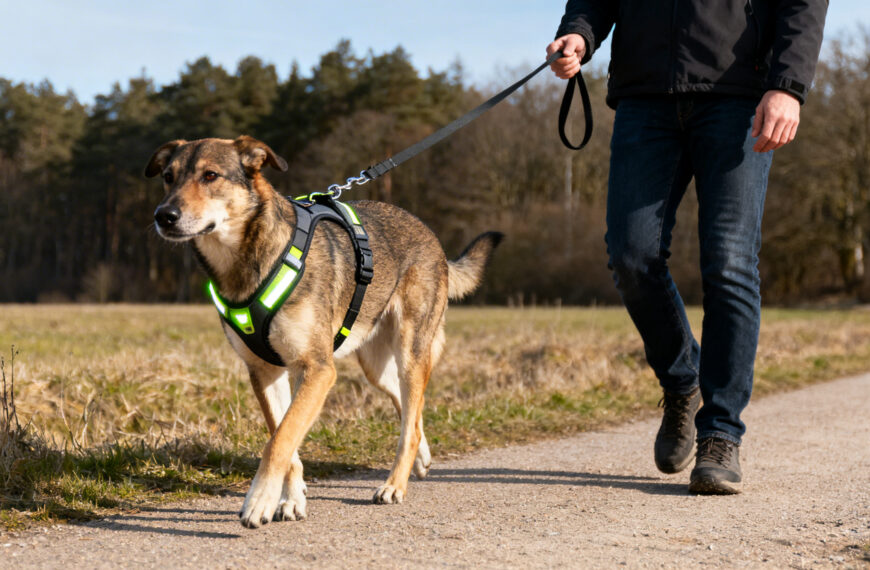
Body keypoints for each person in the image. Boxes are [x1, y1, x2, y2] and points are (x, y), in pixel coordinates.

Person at [547, 0, 828, 494]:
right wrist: (579, 33)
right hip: (645, 95)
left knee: (730, 264)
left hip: (738, 92)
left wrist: (788, 85)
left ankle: (720, 432)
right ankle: (682, 380)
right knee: (631, 255)